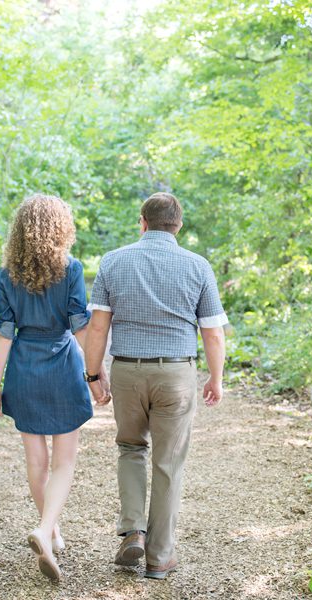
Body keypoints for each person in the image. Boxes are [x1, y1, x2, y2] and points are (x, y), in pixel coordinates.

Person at [83, 192, 227, 580]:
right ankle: (159, 557)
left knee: (130, 448)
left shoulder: (113, 261)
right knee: (168, 464)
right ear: (178, 225)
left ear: (142, 222)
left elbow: (98, 326)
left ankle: (133, 530)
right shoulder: (198, 267)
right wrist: (215, 377)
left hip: (129, 372)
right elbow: (212, 333)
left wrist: (93, 375)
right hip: (176, 375)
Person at [0, 194, 109, 583]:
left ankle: (50, 529)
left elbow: (4, 333)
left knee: (36, 462)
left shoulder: (5, 276)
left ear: (19, 232)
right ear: (62, 228)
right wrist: (97, 372)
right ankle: (46, 529)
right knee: (64, 461)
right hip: (61, 367)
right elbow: (79, 325)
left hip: (24, 370)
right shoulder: (71, 269)